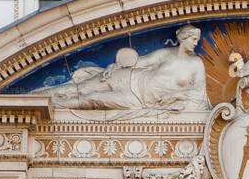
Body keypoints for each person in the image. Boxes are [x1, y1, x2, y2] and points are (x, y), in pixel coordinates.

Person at [45, 24, 210, 114]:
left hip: (137, 99)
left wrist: (174, 95)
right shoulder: (166, 53)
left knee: (93, 98)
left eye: (197, 40)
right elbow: (138, 62)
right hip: (129, 77)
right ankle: (36, 97)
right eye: (193, 39)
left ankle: (54, 105)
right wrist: (115, 66)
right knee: (80, 88)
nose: (195, 43)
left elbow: (198, 93)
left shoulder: (196, 64)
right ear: (183, 38)